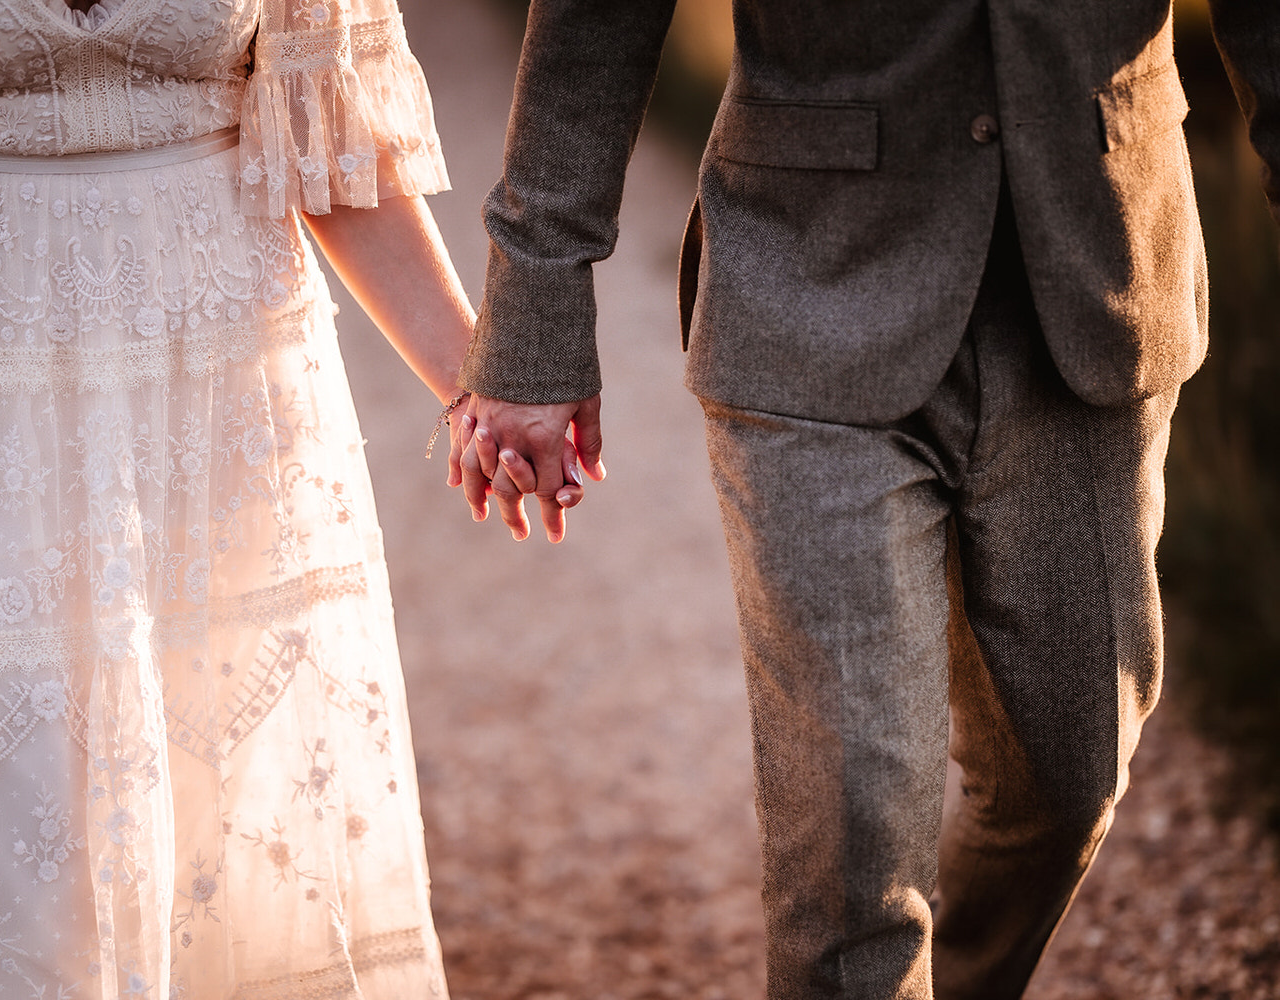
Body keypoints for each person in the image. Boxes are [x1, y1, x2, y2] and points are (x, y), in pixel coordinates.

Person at [450, 1, 1279, 998]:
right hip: (807, 277)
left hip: (1094, 268)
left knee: (1070, 780)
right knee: (851, 844)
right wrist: (535, 311)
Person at [0, 0, 525, 996]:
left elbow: (330, 133)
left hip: (223, 369)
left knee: (237, 803)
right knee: (12, 801)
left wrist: (476, 391)